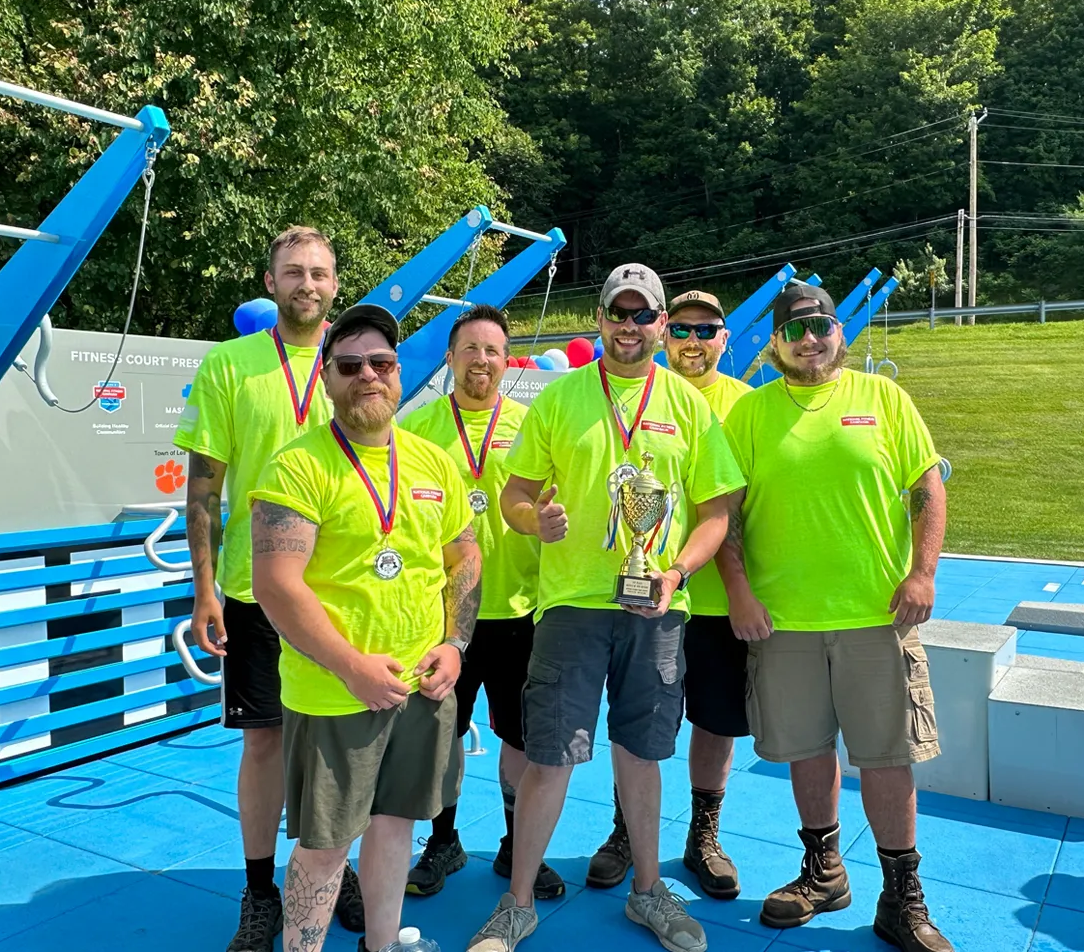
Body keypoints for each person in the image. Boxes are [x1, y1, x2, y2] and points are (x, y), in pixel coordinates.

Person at [467, 264, 745, 952]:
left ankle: (647, 893)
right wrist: (535, 520)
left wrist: (675, 571)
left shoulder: (687, 405)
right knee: (549, 757)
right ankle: (516, 904)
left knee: (642, 755)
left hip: (658, 607)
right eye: (617, 313)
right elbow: (514, 495)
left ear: (660, 323)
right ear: (598, 319)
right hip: (570, 605)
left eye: (642, 314)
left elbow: (717, 512)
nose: (629, 326)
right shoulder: (560, 398)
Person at [718, 282, 954, 952]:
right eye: (794, 329)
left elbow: (926, 488)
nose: (809, 339)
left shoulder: (883, 398)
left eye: (820, 325)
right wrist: (738, 590)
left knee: (887, 757)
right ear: (775, 342)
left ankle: (901, 897)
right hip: (783, 621)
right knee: (806, 750)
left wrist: (923, 572)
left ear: (839, 332)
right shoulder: (750, 412)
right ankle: (823, 873)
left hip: (876, 616)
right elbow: (725, 512)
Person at [248, 304, 481, 952]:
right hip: (335, 693)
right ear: (326, 378)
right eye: (349, 365)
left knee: (396, 824)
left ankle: (381, 944)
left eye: (380, 362)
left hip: (420, 685)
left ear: (399, 373)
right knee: (325, 847)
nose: (367, 375)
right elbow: (276, 584)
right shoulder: (297, 466)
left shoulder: (432, 462)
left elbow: (464, 555)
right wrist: (352, 667)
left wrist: (455, 643)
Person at [174, 226, 362, 952]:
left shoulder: (356, 361)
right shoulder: (230, 364)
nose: (306, 284)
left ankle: (332, 865)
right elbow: (203, 488)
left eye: (318, 272)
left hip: (341, 589)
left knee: (338, 741)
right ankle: (259, 891)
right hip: (255, 592)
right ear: (270, 282)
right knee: (264, 741)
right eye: (293, 272)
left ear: (335, 283)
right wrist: (204, 590)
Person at [585, 289, 752, 901]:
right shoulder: (628, 390)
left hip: (713, 602)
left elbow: (739, 510)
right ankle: (625, 830)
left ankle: (703, 834)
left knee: (714, 721)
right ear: (663, 331)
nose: (693, 341)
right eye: (681, 329)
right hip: (641, 598)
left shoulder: (747, 406)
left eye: (707, 330)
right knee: (634, 720)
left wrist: (741, 590)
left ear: (725, 338)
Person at [399, 304, 565, 900]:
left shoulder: (531, 425)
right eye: (470, 348)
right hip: (443, 616)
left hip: (521, 609)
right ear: (450, 357)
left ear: (507, 360)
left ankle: (517, 845)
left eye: (492, 350)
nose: (481, 360)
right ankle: (443, 842)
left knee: (520, 738)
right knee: (443, 737)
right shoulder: (416, 430)